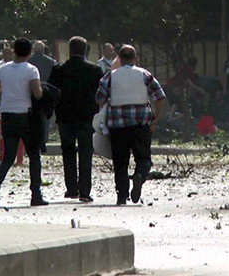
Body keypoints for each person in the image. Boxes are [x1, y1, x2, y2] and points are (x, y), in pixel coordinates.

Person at [95, 45, 165, 205]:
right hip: (141, 124)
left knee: (120, 161)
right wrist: (155, 118)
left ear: (119, 58)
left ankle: (121, 195)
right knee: (144, 158)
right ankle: (139, 174)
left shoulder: (110, 76)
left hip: (118, 126)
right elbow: (159, 96)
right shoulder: (145, 74)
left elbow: (99, 98)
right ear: (135, 58)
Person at [0, 38, 48, 207]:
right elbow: (37, 94)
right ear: (30, 53)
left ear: (14, 51)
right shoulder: (31, 70)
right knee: (34, 155)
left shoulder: (3, 70)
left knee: (8, 157)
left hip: (7, 116)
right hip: (26, 117)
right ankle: (36, 194)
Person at [49, 36, 104, 203]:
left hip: (65, 117)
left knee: (68, 151)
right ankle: (85, 191)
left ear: (70, 50)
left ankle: (71, 188)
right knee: (86, 152)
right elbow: (100, 93)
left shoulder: (59, 69)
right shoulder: (94, 70)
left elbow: (52, 92)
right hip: (87, 117)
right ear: (85, 50)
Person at [29, 41, 56, 154]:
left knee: (32, 117)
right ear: (44, 49)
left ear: (33, 50)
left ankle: (33, 139)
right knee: (46, 117)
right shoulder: (51, 62)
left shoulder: (29, 61)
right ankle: (44, 139)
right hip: (47, 91)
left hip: (31, 91)